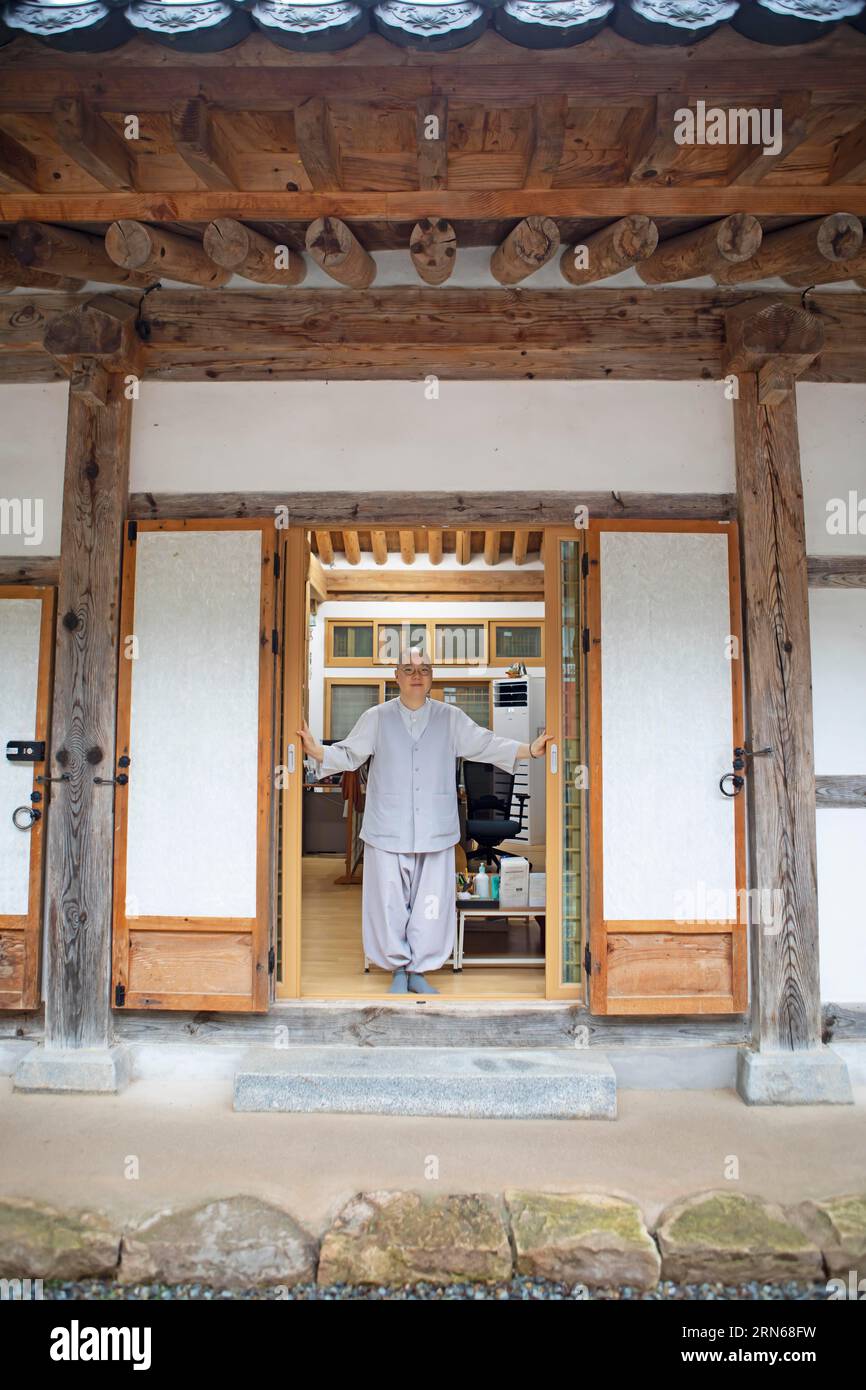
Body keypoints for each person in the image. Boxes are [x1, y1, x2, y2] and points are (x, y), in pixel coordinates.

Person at [298, 648, 553, 994]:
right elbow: (348, 753)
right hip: (387, 826)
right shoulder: (376, 718)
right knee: (387, 901)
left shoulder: (450, 718)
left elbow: (485, 744)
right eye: (408, 668)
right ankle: (397, 968)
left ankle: (420, 967)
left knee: (431, 901)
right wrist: (316, 750)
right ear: (397, 677)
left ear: (431, 676)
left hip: (435, 826)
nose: (417, 674)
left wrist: (529, 749)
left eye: (424, 668)